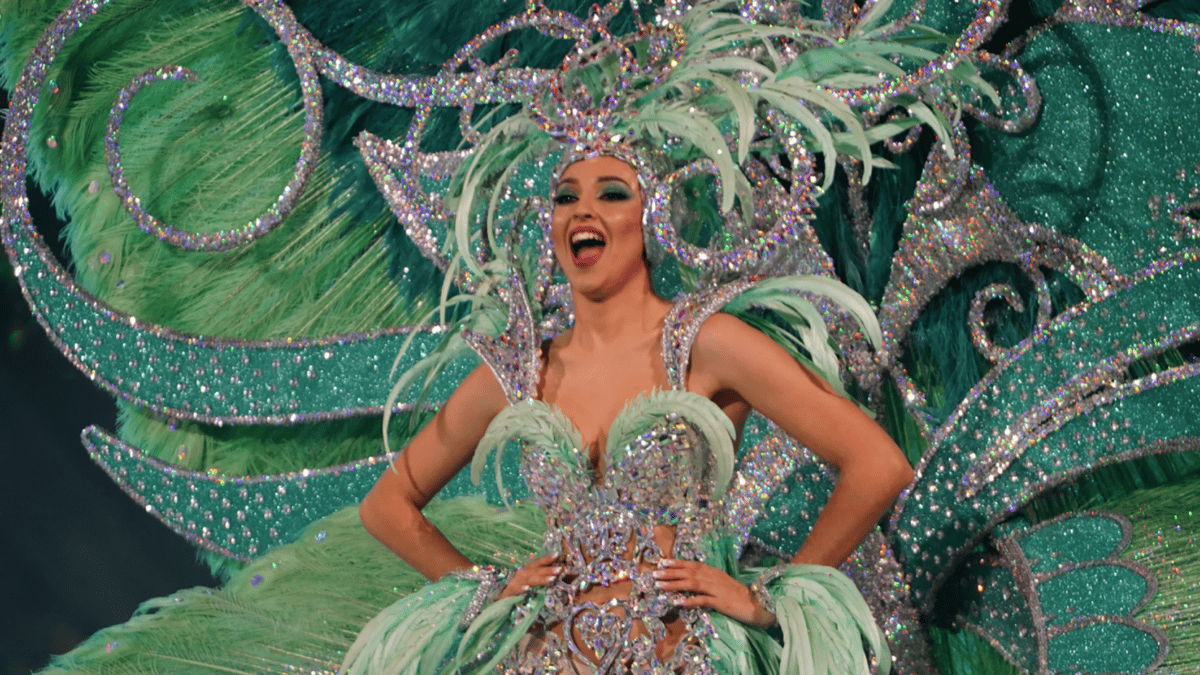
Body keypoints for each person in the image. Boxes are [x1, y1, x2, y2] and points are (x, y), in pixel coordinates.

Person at [344, 151, 915, 674]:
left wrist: (768, 600)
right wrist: (489, 592)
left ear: (653, 216)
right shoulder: (521, 372)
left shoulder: (706, 344)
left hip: (685, 657)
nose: (581, 210)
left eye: (612, 193)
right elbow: (386, 507)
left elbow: (877, 464)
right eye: (565, 197)